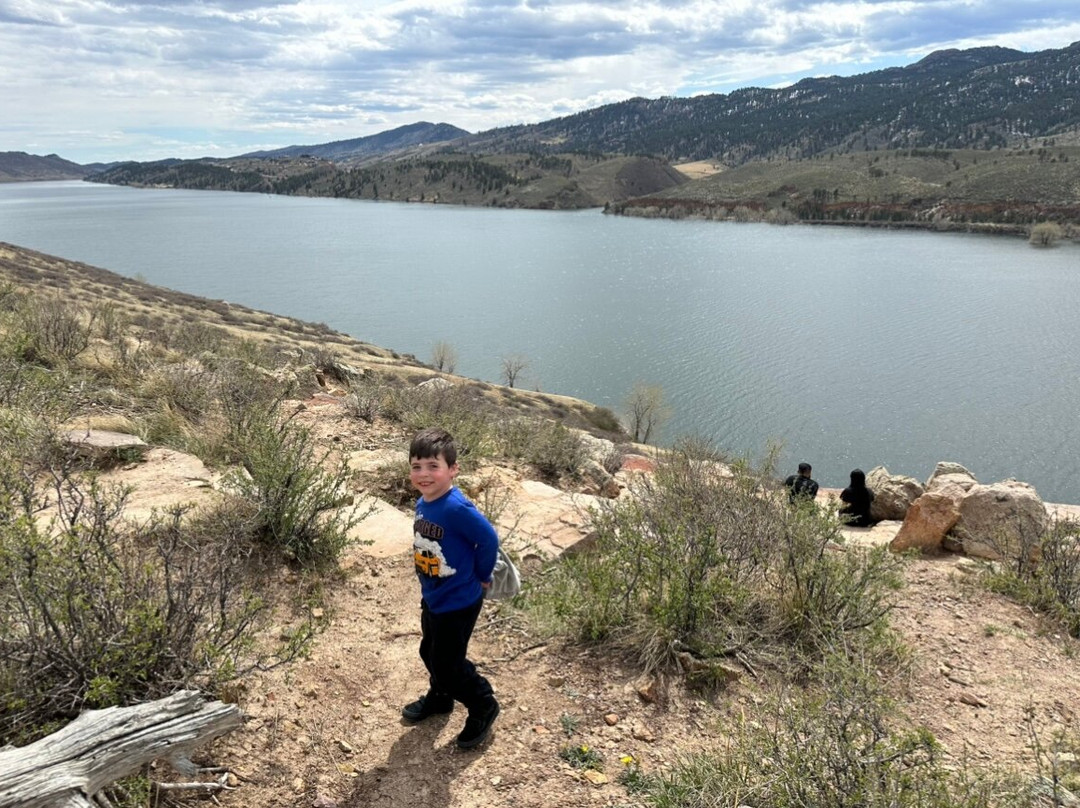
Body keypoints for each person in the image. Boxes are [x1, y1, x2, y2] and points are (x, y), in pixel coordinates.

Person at [402, 427, 501, 750]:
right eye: (417, 466)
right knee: (428, 651)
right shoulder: (424, 501)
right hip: (434, 595)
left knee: (449, 663)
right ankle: (441, 697)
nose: (424, 474)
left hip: (459, 601)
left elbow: (487, 539)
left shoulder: (456, 508)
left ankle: (483, 703)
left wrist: (483, 575)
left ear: (453, 469)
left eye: (434, 466)